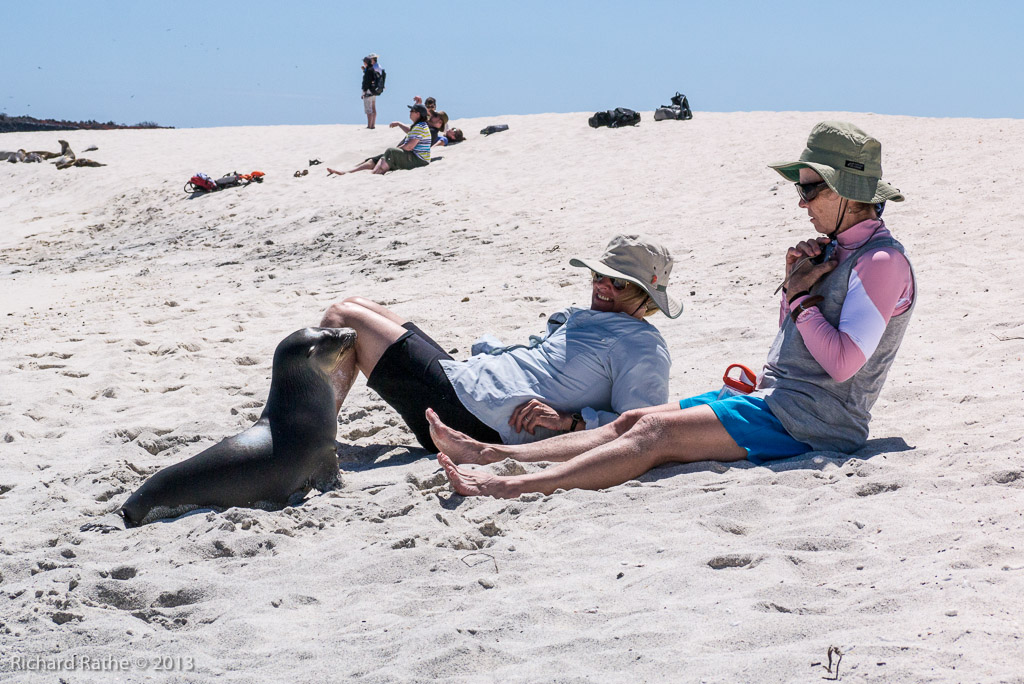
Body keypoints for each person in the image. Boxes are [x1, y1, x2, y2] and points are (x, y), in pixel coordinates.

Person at [431, 121, 916, 498]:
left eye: (810, 189)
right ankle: (490, 453)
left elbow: (842, 364)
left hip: (818, 424)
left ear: (845, 191)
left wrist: (802, 299)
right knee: (633, 419)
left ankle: (511, 485)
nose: (801, 203)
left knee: (656, 433)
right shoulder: (839, 253)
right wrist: (795, 287)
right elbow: (795, 345)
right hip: (781, 400)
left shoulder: (880, 261)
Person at [318, 235, 682, 452]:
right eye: (599, 275)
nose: (602, 286)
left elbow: (641, 427)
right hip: (468, 383)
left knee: (342, 318)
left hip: (476, 418)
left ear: (645, 296)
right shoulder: (592, 317)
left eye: (618, 283)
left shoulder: (642, 347)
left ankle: (308, 444)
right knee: (361, 306)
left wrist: (569, 423)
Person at [327, 104, 432, 176]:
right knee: (377, 158)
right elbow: (410, 132)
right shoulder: (418, 126)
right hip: (412, 157)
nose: (410, 112)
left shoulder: (420, 127)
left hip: (419, 160)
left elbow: (410, 146)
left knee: (390, 151)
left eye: (412, 111)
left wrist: (397, 150)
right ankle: (348, 171)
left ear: (418, 114)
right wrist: (400, 124)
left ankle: (374, 174)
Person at [360, 56, 378, 129]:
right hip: (373, 91)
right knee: (372, 108)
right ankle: (372, 125)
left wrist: (364, 92)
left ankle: (369, 125)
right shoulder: (372, 69)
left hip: (368, 91)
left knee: (368, 109)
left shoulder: (369, 70)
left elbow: (366, 82)